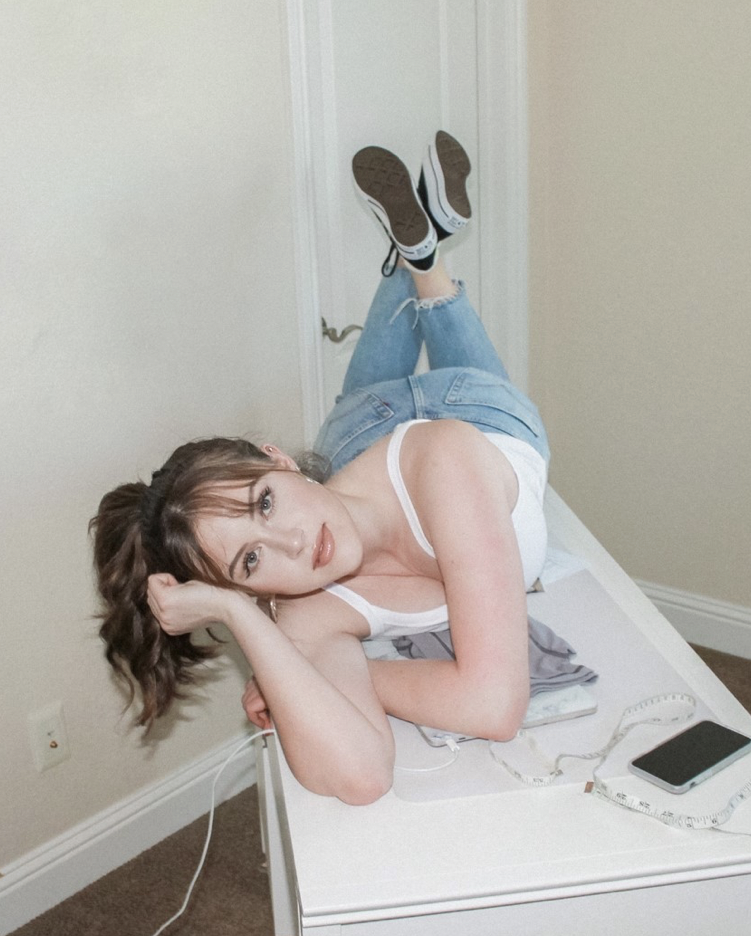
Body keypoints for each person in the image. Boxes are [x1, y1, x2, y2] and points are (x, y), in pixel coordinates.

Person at [91, 132, 550, 804]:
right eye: (248, 563)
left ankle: (421, 258)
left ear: (279, 459)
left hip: (473, 422)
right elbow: (361, 776)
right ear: (249, 591)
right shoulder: (297, 605)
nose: (295, 544)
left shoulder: (448, 459)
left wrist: (344, 677)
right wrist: (243, 620)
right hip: (357, 440)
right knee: (359, 403)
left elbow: (493, 705)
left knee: (466, 381)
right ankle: (417, 250)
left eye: (266, 503)